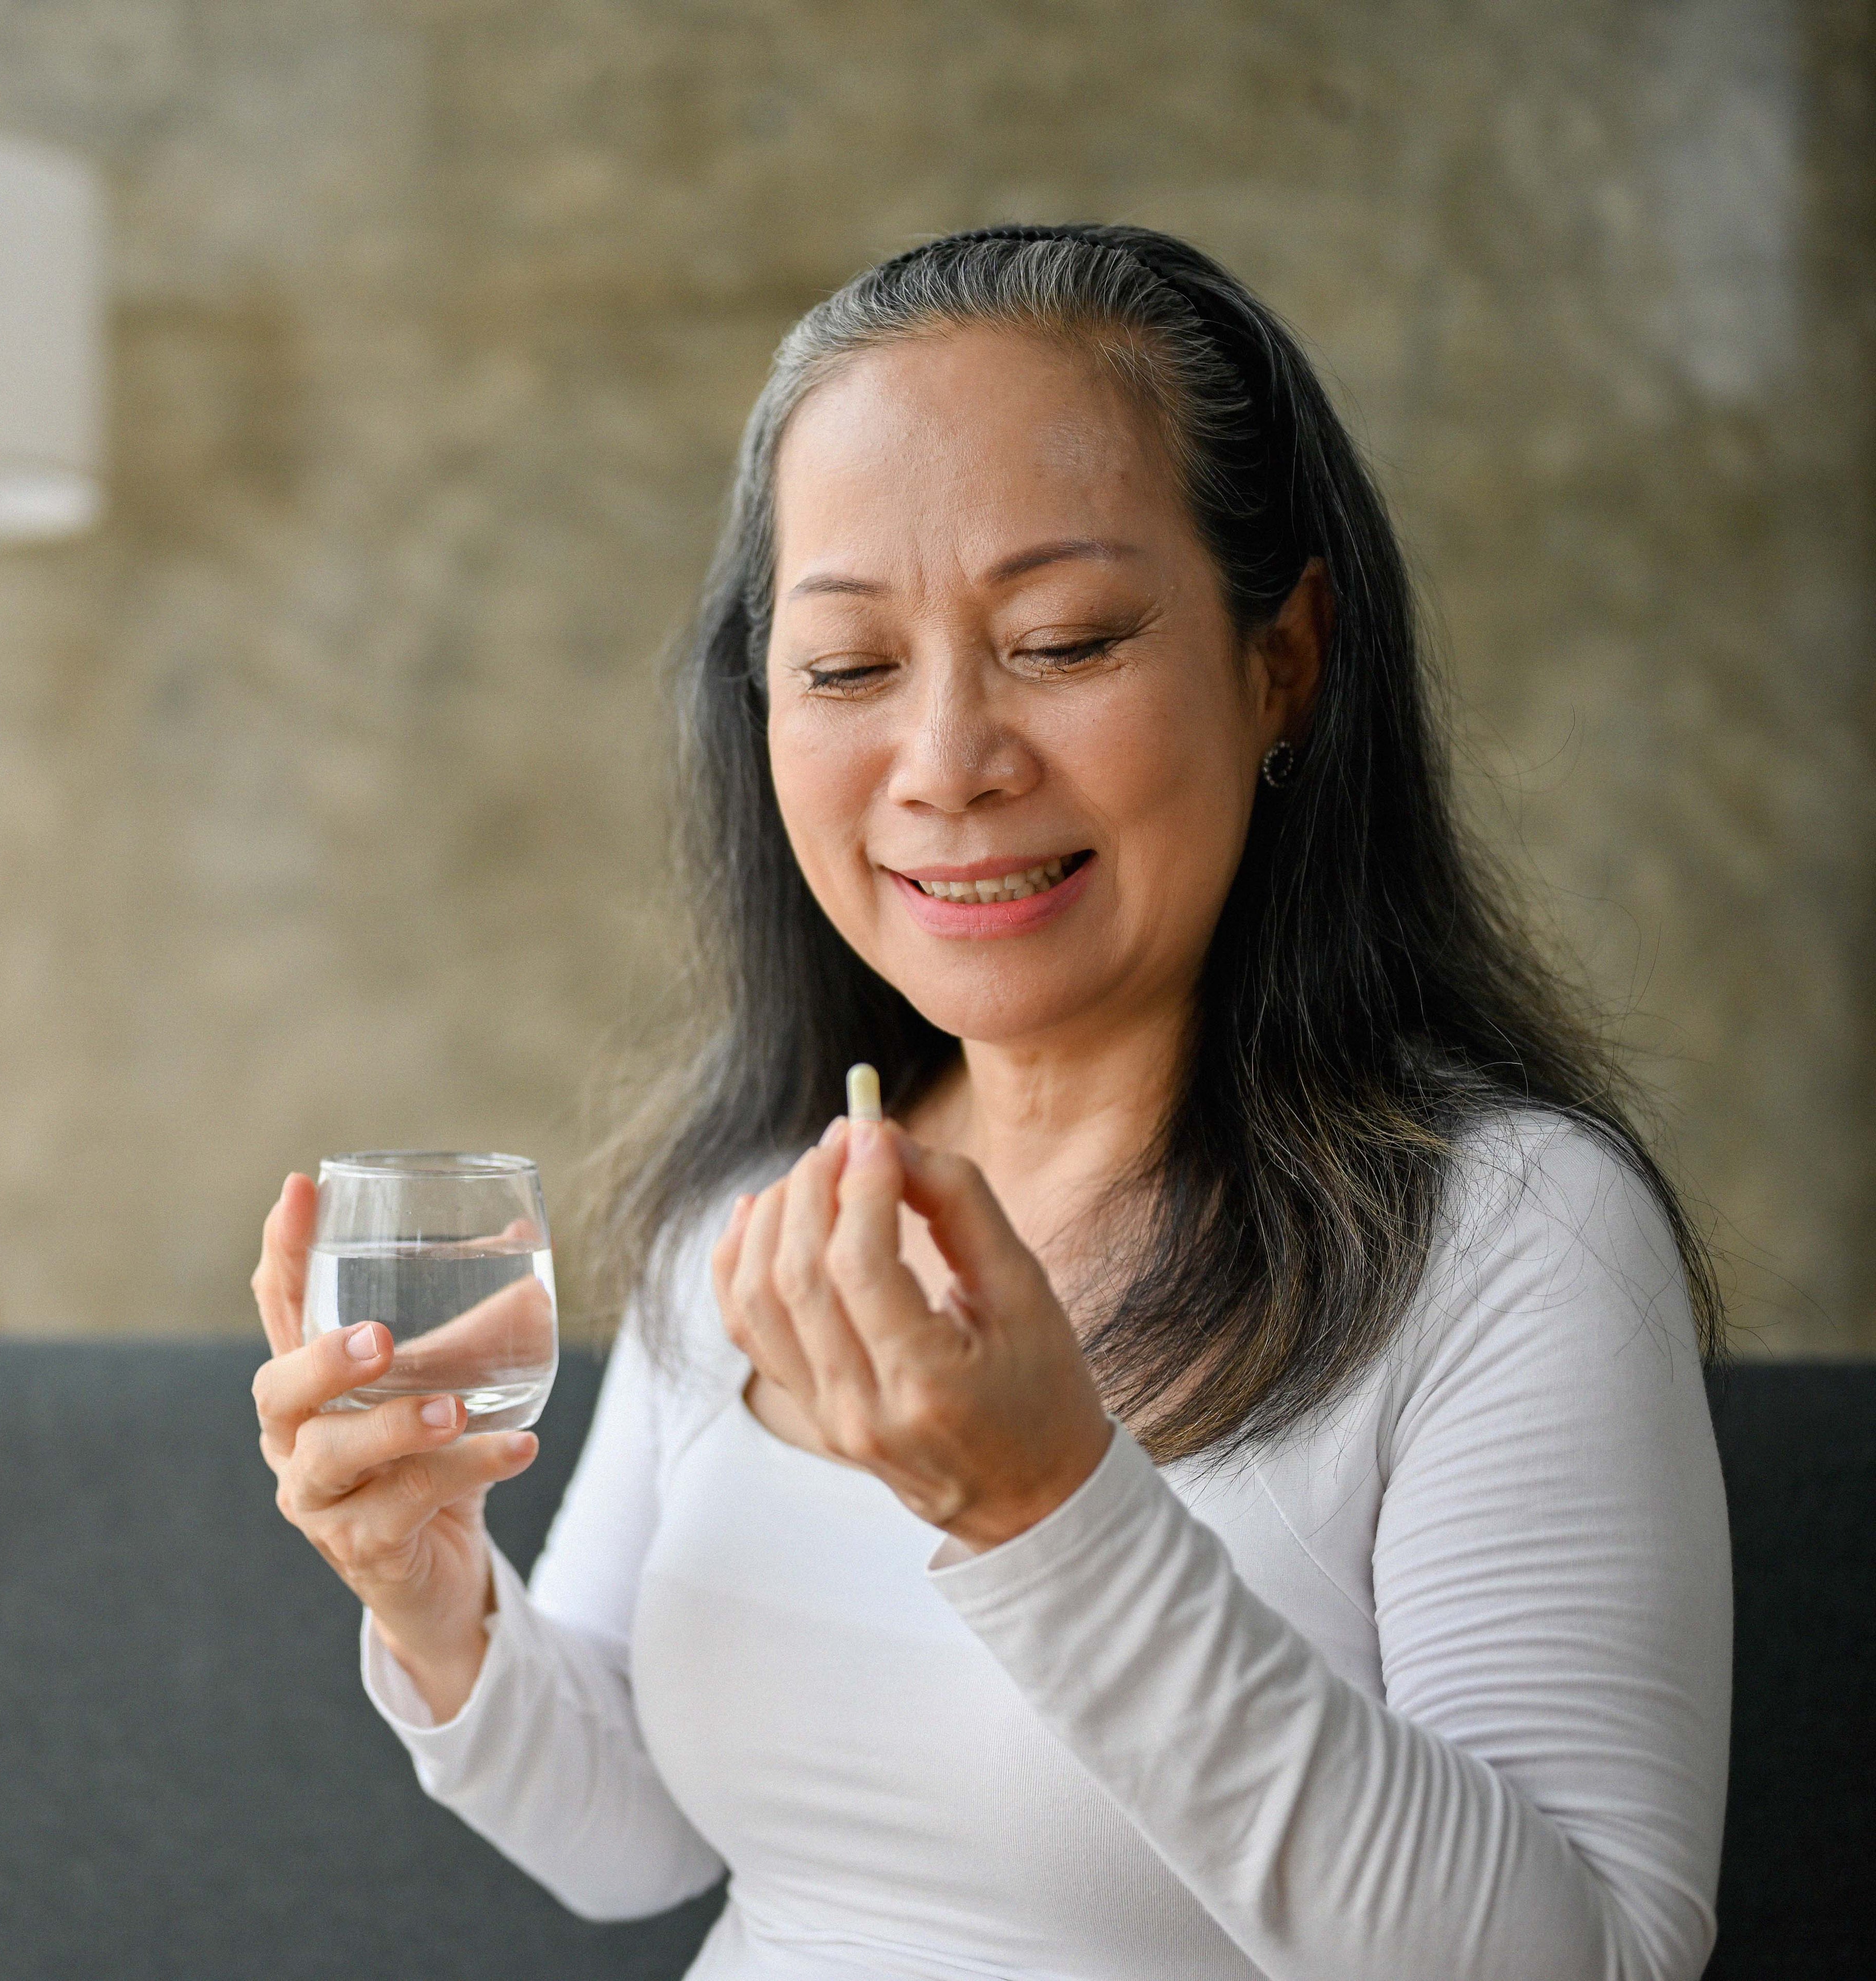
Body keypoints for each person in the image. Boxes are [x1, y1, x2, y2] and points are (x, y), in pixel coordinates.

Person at [247, 222, 1734, 1980]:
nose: (949, 763)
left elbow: (1596, 1961)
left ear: (1288, 658)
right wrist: (430, 1587)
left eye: (1065, 639)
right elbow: (632, 1840)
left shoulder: (1506, 1233)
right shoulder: (760, 1206)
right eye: (851, 668)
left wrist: (1054, 1514)